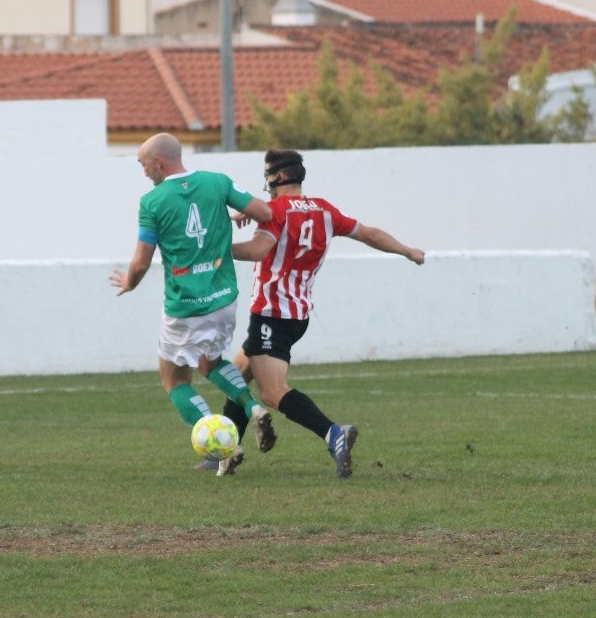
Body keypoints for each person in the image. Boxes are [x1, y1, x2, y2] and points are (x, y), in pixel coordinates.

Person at [230, 149, 425, 478]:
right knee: (236, 374)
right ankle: (225, 450)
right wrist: (407, 250)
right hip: (298, 314)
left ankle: (333, 433)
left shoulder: (274, 212)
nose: (265, 183)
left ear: (278, 177)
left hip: (272, 313)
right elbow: (369, 233)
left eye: (267, 176)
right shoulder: (324, 210)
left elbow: (257, 250)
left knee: (272, 392)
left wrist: (213, 248)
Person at [110, 133, 276, 476]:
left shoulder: (152, 202)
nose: (143, 171)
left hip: (185, 307)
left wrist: (129, 282)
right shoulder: (218, 182)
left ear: (158, 162)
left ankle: (224, 444)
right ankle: (252, 408)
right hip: (223, 298)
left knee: (174, 382)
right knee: (209, 362)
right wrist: (240, 215)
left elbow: (141, 261)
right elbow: (263, 211)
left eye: (143, 164)